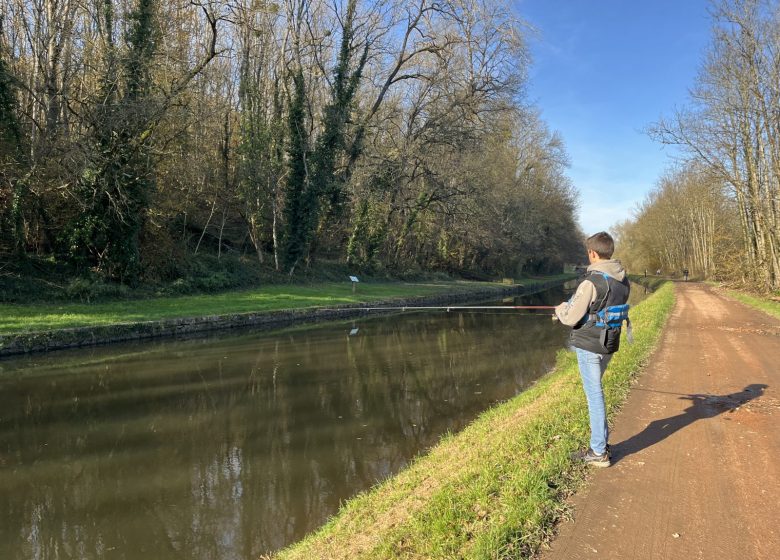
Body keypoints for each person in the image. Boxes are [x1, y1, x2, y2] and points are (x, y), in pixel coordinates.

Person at [554, 231, 631, 468]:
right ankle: (599, 446)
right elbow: (601, 308)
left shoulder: (591, 281)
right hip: (609, 343)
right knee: (595, 391)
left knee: (594, 395)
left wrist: (560, 310)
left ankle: (598, 451)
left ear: (592, 253)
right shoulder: (623, 280)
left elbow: (572, 317)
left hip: (589, 345)